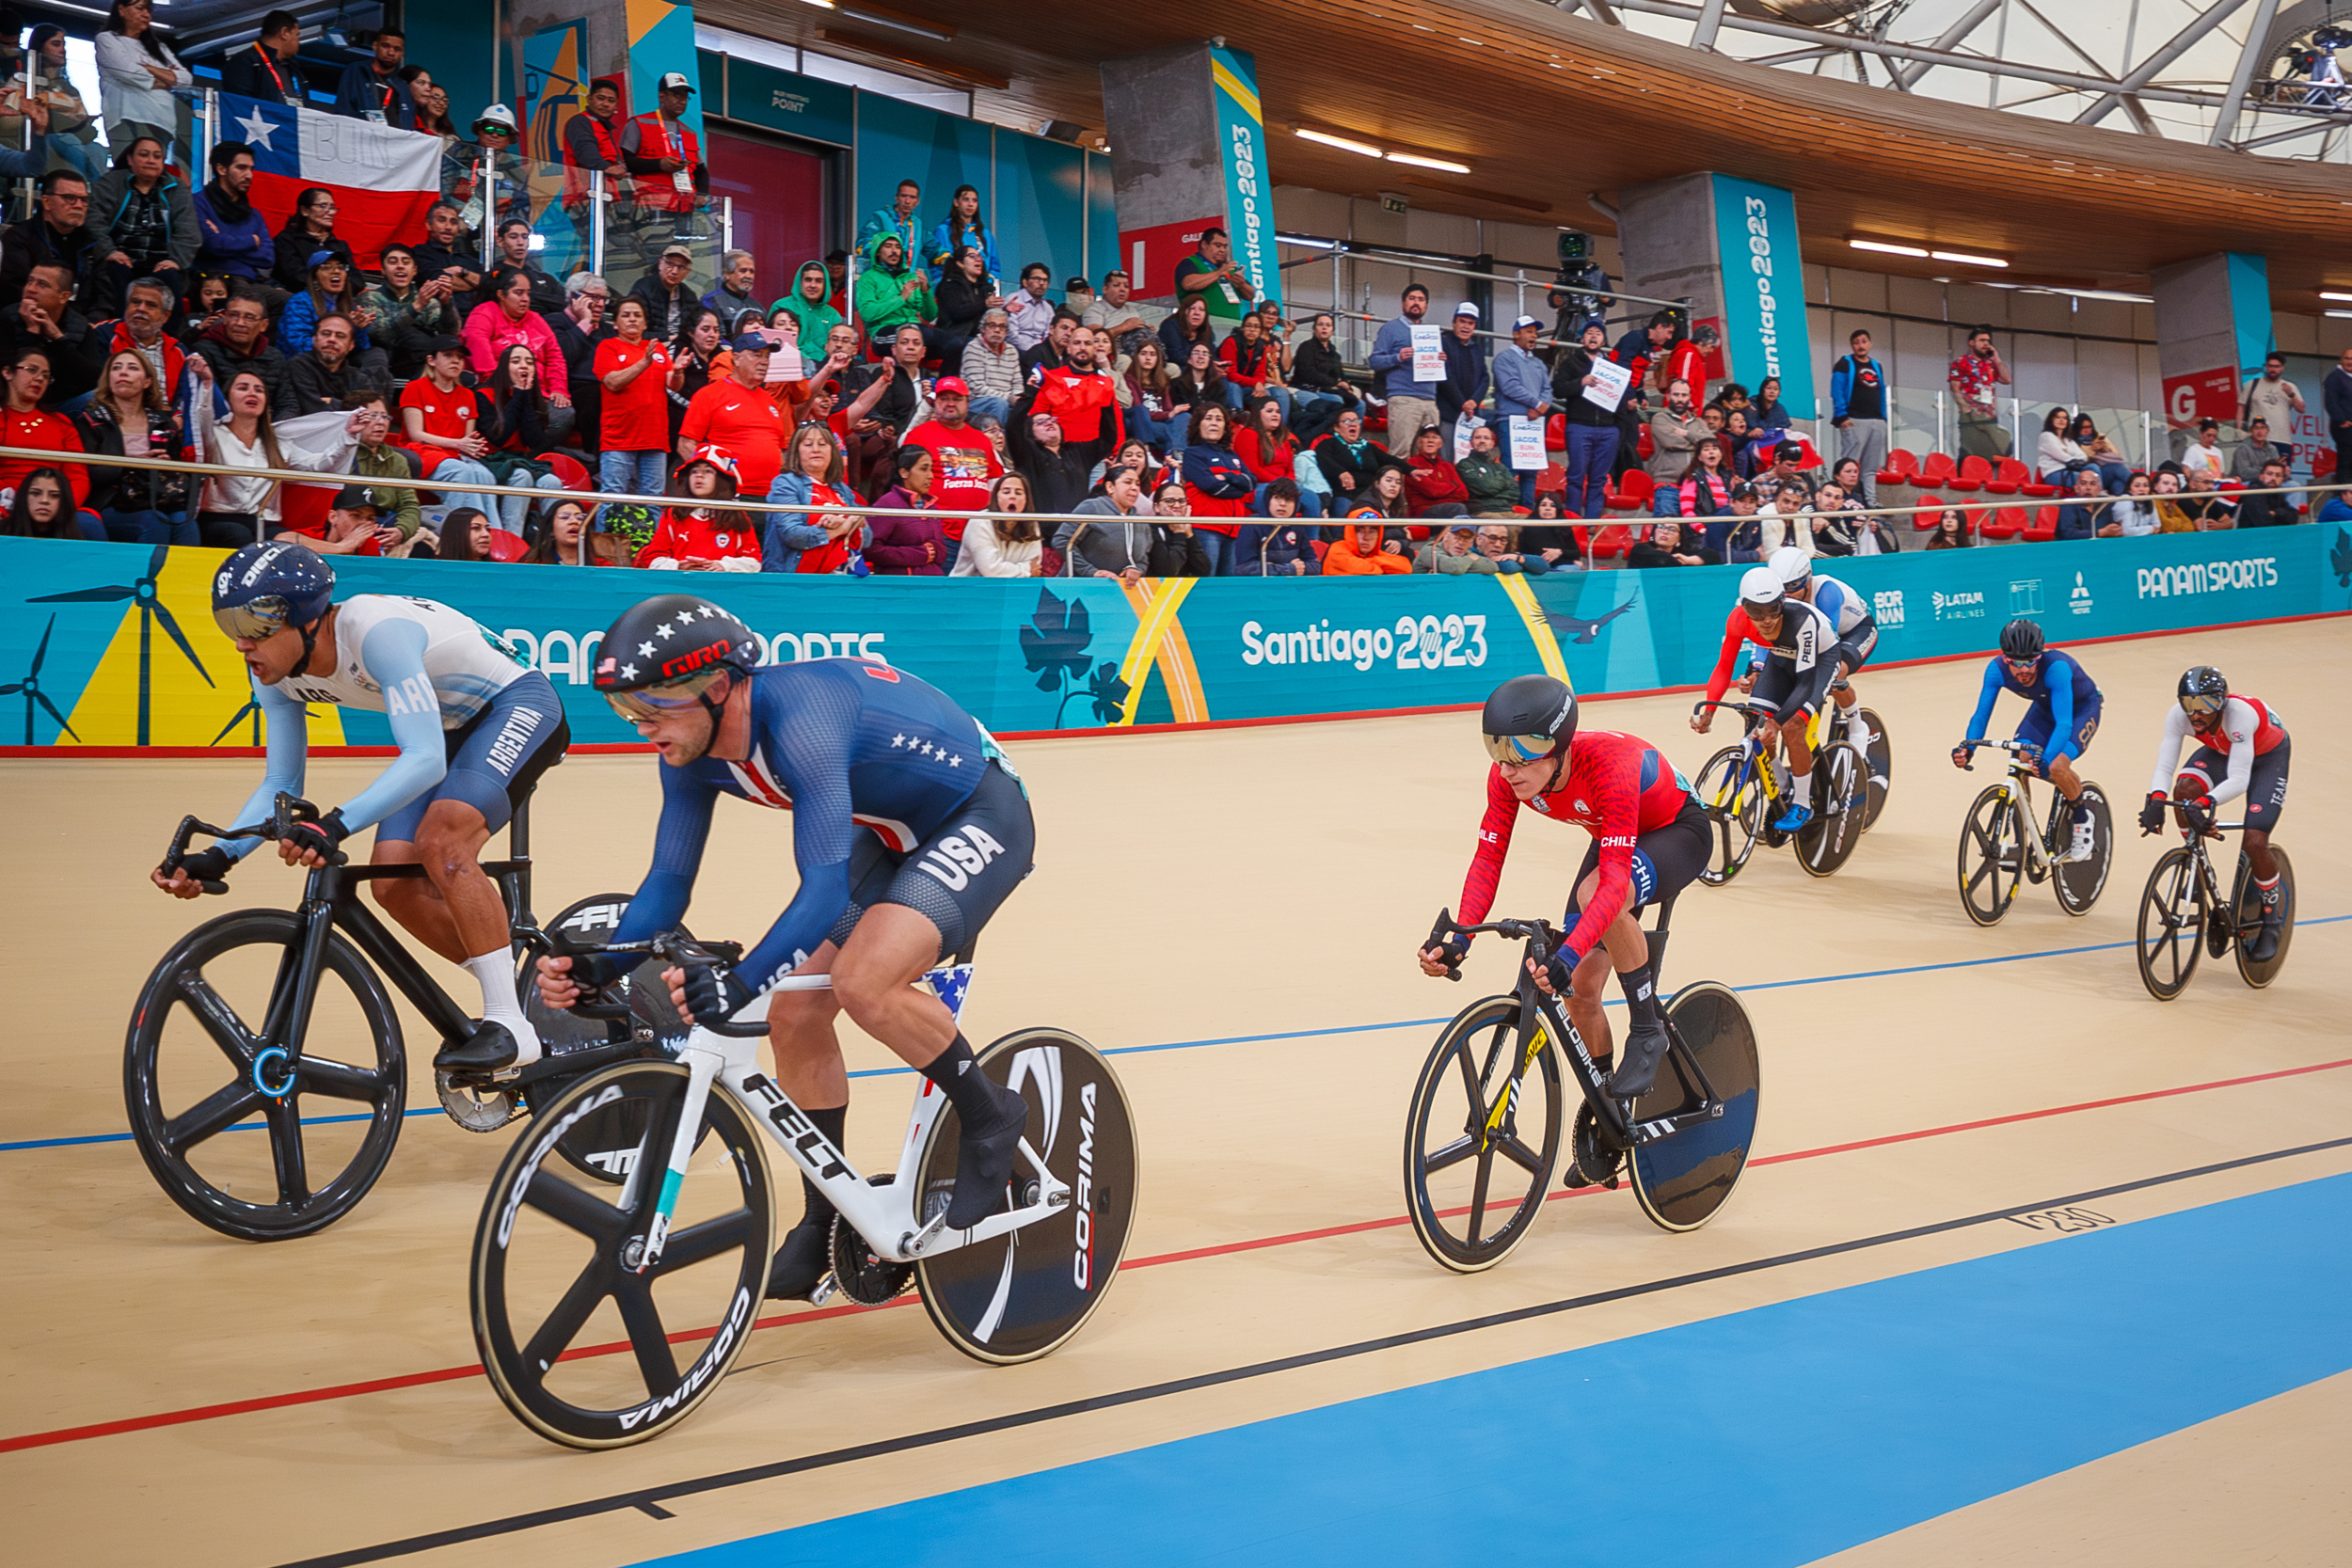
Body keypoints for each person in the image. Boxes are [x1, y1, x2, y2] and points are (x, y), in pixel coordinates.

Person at [538, 595, 1038, 1299]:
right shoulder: (688, 750)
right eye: (626, 709)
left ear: (718, 686)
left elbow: (824, 889)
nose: (642, 727)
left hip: (979, 812)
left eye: (652, 707)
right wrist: (602, 966)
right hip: (891, 832)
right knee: (795, 1014)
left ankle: (990, 1115)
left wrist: (737, 984)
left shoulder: (804, 719)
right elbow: (668, 882)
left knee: (866, 982)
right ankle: (824, 1219)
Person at [162, 544, 568, 1079]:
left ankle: (512, 1026)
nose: (240, 642)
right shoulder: (272, 672)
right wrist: (221, 854)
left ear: (306, 618)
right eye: (228, 624)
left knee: (443, 844)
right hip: (449, 728)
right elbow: (281, 783)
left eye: (253, 624)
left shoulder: (375, 631)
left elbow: (424, 758)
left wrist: (333, 825)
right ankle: (524, 988)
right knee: (392, 884)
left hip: (515, 704)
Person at [1417, 674, 1709, 1101]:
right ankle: (1608, 1107)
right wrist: (1461, 938)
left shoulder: (1609, 765)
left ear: (1556, 745)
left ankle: (1648, 1029)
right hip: (1614, 835)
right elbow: (1488, 858)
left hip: (1677, 830)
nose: (1507, 769)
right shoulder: (1507, 778)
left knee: (1593, 901)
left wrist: (1566, 955)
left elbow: (1612, 884)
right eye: (1497, 751)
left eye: (1520, 754)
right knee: (1580, 989)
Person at [2141, 669, 2292, 961]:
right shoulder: (2178, 716)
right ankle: (2196, 865)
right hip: (2224, 751)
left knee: (2254, 841)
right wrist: (2156, 799)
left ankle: (2271, 919)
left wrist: (2204, 803)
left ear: (2222, 702)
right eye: (2188, 704)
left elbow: (2239, 778)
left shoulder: (2240, 715)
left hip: (2267, 758)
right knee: (2183, 792)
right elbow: (2165, 767)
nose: (2196, 714)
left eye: (2205, 705)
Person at [1693, 566, 1839, 832]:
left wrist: (1777, 722)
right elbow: (1724, 667)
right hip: (1781, 658)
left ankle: (1803, 803)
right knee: (1755, 724)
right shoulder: (1737, 620)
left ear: (1783, 601)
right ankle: (1782, 785)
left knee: (1793, 727)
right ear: (1744, 607)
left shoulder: (1801, 619)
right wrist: (1710, 710)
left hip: (1819, 662)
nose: (1767, 619)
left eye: (1774, 609)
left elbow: (1805, 681)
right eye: (1757, 612)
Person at [1953, 619, 2103, 863]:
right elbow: (1980, 716)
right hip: (2044, 710)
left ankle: (2083, 819)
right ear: (2005, 659)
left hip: (2080, 711)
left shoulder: (2056, 668)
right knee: (2021, 760)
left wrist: (2046, 759)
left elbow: (2064, 724)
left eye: (2031, 662)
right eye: (2017, 663)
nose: (2024, 670)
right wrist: (1968, 748)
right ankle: (2020, 840)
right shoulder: (1995, 670)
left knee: (2056, 766)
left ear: (2040, 656)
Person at [73, 345, 187, 543]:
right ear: (109, 379)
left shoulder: (163, 422)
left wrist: (167, 466)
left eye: (132, 368)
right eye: (116, 368)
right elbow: (90, 473)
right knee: (154, 521)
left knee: (185, 521)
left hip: (157, 497)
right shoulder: (90, 421)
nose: (123, 372)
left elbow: (178, 470)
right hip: (111, 501)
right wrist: (134, 464)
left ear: (147, 381)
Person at [1771, 546, 1878, 751]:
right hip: (1822, 634)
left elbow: (1828, 642)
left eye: (1793, 586)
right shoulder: (1782, 598)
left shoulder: (1827, 592)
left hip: (1857, 631)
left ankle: (1857, 727)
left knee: (1834, 671)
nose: (1788, 594)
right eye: (1782, 589)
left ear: (1808, 578)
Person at [902, 376, 1002, 571]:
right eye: (944, 399)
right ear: (935, 402)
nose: (950, 403)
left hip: (980, 534)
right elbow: (907, 484)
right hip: (940, 534)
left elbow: (996, 482)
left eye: (956, 399)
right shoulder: (919, 435)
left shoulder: (982, 439)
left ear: (967, 402)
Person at [89, 135, 195, 315]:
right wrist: (109, 251)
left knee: (170, 278)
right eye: (144, 154)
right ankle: (119, 330)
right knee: (116, 273)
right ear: (130, 159)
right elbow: (93, 221)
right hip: (120, 258)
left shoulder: (177, 188)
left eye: (157, 156)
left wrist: (175, 261)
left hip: (161, 262)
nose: (151, 160)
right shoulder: (111, 182)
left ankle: (170, 334)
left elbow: (189, 230)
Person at [678, 332, 788, 503]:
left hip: (771, 497)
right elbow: (686, 445)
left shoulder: (769, 400)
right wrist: (712, 484)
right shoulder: (710, 395)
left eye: (767, 356)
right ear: (736, 359)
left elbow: (780, 451)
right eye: (756, 355)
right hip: (729, 495)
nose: (764, 361)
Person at [618, 72, 708, 264]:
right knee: (655, 262)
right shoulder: (639, 124)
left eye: (685, 97)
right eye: (676, 95)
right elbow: (627, 162)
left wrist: (702, 194)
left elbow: (701, 171)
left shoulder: (689, 133)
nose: (682, 101)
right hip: (652, 207)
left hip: (684, 208)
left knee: (679, 263)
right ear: (662, 96)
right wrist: (659, 165)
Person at [595, 295, 677, 501]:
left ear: (645, 323)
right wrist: (644, 363)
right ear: (615, 323)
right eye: (626, 315)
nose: (632, 319)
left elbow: (673, 385)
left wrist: (679, 372)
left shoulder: (658, 348)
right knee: (613, 499)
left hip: (655, 438)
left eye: (637, 315)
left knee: (654, 500)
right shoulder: (608, 346)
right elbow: (613, 382)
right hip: (618, 439)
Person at [635, 445, 761, 571]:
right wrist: (678, 566)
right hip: (680, 582)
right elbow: (652, 559)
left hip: (723, 583)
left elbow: (754, 561)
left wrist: (724, 566)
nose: (699, 475)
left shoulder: (736, 515)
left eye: (708, 471)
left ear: (723, 480)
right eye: (694, 471)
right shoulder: (674, 513)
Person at [762, 420, 864, 574]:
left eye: (822, 444)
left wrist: (846, 521)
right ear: (796, 452)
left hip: (840, 575)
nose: (816, 449)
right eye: (808, 444)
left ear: (832, 451)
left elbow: (867, 535)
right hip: (795, 577)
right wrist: (839, 529)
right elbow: (792, 534)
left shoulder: (841, 488)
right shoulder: (785, 483)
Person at [0, 348, 91, 515]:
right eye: (32, 369)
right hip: (5, 508)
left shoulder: (61, 423)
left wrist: (59, 510)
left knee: (88, 523)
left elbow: (78, 477)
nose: (39, 378)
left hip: (52, 507)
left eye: (46, 376)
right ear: (7, 373)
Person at [0, 261, 103, 404]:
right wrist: (32, 333)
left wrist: (58, 338)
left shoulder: (80, 327)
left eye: (42, 284)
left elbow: (94, 380)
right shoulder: (7, 317)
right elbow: (8, 373)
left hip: (60, 404)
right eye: (30, 281)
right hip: (11, 401)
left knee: (98, 396)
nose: (31, 288)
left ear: (64, 296)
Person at [0, 169, 103, 312]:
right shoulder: (19, 238)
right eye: (69, 198)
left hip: (85, 321)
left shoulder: (91, 242)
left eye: (84, 200)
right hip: (33, 317)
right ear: (47, 202)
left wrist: (95, 320)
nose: (79, 205)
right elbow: (18, 294)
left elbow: (104, 297)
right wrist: (72, 321)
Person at [95, 0, 189, 155]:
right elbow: (127, 72)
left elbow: (186, 79)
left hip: (162, 120)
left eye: (149, 10)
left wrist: (149, 68)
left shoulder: (160, 48)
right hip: (127, 116)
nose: (146, 15)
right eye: (140, 8)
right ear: (122, 10)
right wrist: (167, 78)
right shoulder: (107, 39)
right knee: (128, 166)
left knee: (153, 167)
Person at [9, 25, 99, 182]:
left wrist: (49, 99)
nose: (63, 50)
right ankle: (82, 187)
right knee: (69, 140)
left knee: (97, 149)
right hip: (35, 139)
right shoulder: (21, 79)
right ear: (40, 47)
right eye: (56, 44)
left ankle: (95, 191)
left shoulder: (69, 87)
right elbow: (12, 108)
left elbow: (81, 114)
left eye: (64, 45)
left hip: (73, 139)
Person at [1551, 320, 1620, 520]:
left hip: (1608, 428)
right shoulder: (1571, 362)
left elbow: (1623, 393)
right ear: (1582, 339)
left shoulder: (1612, 367)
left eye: (1598, 333)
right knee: (1576, 476)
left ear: (1603, 340)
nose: (1593, 336)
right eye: (1589, 332)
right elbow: (1557, 389)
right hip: (1579, 426)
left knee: (1599, 479)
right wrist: (1580, 382)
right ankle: (1573, 523)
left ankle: (1591, 524)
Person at [1368, 283, 1439, 457]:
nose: (1416, 303)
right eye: (1412, 298)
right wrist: (1397, 358)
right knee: (1400, 454)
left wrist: (1441, 360)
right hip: (1404, 400)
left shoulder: (1430, 333)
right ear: (1402, 303)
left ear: (1426, 305)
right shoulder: (1390, 329)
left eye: (1421, 300)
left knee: (1427, 457)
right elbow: (1374, 361)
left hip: (1430, 400)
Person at [1057, 465, 1152, 579]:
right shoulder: (1092, 507)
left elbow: (1143, 556)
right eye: (1128, 482)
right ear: (1110, 487)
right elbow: (1061, 540)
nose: (1134, 488)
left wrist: (1137, 569)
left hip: (1122, 588)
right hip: (1079, 585)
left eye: (1137, 484)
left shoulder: (1141, 521)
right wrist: (1090, 571)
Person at [1829, 328, 1888, 503]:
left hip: (1876, 421)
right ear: (1851, 345)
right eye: (1856, 342)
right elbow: (1837, 390)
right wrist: (1842, 416)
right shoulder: (1844, 363)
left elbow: (1881, 391)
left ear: (1870, 343)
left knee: (1871, 467)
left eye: (1864, 341)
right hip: (1854, 420)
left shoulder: (1877, 365)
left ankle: (1870, 501)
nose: (1860, 346)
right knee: (1848, 465)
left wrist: (1883, 418)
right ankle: (1842, 499)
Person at [947, 472, 1039, 578]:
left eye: (1018, 493)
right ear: (996, 497)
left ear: (1026, 499)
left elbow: (1035, 564)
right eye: (1006, 492)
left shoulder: (1032, 524)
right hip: (968, 586)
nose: (1012, 496)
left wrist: (1023, 571)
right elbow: (990, 570)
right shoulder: (980, 521)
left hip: (1014, 586)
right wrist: (1026, 570)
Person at [1172, 225, 1256, 331]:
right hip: (1204, 328)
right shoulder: (1190, 262)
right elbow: (1188, 284)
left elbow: (1250, 295)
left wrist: (1242, 284)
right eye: (1218, 245)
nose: (1222, 250)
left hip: (1233, 327)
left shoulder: (1228, 268)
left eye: (1224, 246)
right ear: (1204, 244)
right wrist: (1218, 273)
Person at [1948, 325, 2010, 460]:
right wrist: (1965, 408)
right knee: (1971, 452)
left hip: (1989, 416)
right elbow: (1954, 387)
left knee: (1997, 449)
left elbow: (2007, 379)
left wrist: (1997, 360)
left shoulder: (1990, 364)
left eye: (1988, 341)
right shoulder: (1961, 362)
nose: (1986, 344)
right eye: (1982, 340)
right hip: (1970, 416)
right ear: (1972, 343)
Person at [219, 10, 305, 106]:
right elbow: (240, 107)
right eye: (297, 35)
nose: (299, 42)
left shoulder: (294, 69)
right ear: (284, 33)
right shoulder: (244, 62)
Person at [330, 25, 409, 126]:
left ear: (402, 53)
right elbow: (342, 110)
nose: (391, 52)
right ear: (375, 46)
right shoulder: (356, 71)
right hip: (361, 134)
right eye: (385, 46)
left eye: (397, 49)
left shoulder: (403, 86)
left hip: (394, 136)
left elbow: (408, 124)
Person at [925, 183, 997, 284]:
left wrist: (986, 286)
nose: (970, 204)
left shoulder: (985, 234)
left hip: (981, 290)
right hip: (953, 289)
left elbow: (994, 268)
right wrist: (945, 286)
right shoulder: (943, 231)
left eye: (974, 200)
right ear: (956, 202)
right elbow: (937, 267)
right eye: (966, 199)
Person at [3, 466, 86, 539]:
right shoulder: (2, 530)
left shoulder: (78, 537)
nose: (44, 500)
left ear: (64, 501)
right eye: (35, 493)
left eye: (54, 495)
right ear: (24, 497)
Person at [2241, 352, 2304, 438]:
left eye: (2276, 366)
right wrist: (2239, 430)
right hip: (2256, 438)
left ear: (2282, 368)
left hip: (2281, 438)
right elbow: (2241, 408)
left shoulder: (2290, 386)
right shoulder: (2252, 384)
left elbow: (2301, 409)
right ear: (2266, 366)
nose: (2273, 369)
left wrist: (2291, 395)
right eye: (2270, 366)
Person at [522, 498, 600, 567]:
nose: (574, 521)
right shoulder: (533, 567)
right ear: (551, 531)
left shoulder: (603, 567)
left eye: (580, 518)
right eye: (565, 517)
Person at [859, 177, 922, 260]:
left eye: (912, 197)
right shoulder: (880, 217)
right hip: (882, 268)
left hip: (906, 268)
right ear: (896, 197)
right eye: (904, 196)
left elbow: (933, 248)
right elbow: (863, 242)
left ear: (917, 201)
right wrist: (881, 252)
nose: (907, 201)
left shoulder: (917, 223)